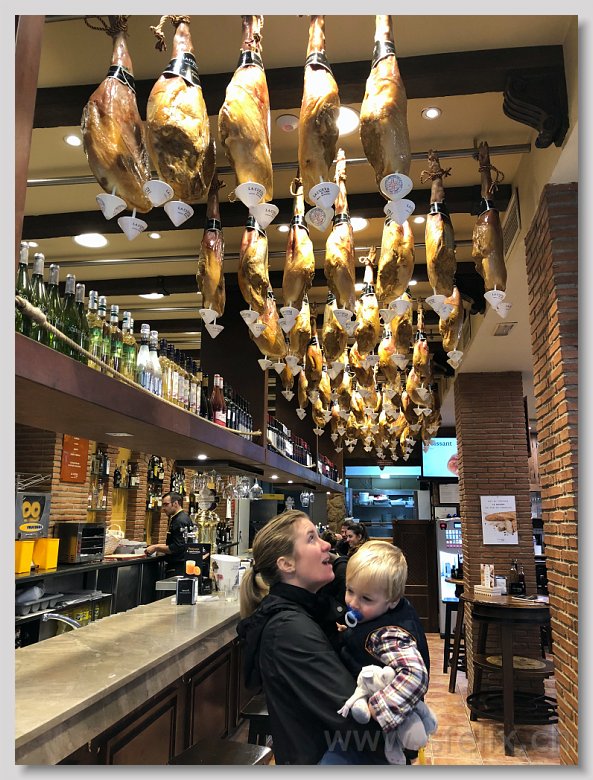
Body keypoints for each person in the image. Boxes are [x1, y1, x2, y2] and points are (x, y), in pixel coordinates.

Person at [237, 510, 387, 765]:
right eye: (311, 538)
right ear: (286, 564)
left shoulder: (309, 613)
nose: (326, 544)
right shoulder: (290, 630)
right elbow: (353, 715)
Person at [320, 540, 431, 765]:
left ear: (392, 601)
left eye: (366, 599)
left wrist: (378, 707)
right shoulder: (381, 614)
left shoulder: (388, 634)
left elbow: (415, 675)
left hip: (384, 731)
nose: (353, 603)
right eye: (350, 590)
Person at [145, 491, 192, 576]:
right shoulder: (181, 518)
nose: (163, 508)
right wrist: (156, 546)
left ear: (175, 503)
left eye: (166, 504)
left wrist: (156, 547)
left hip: (178, 567)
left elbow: (176, 547)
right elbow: (176, 543)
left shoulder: (179, 521)